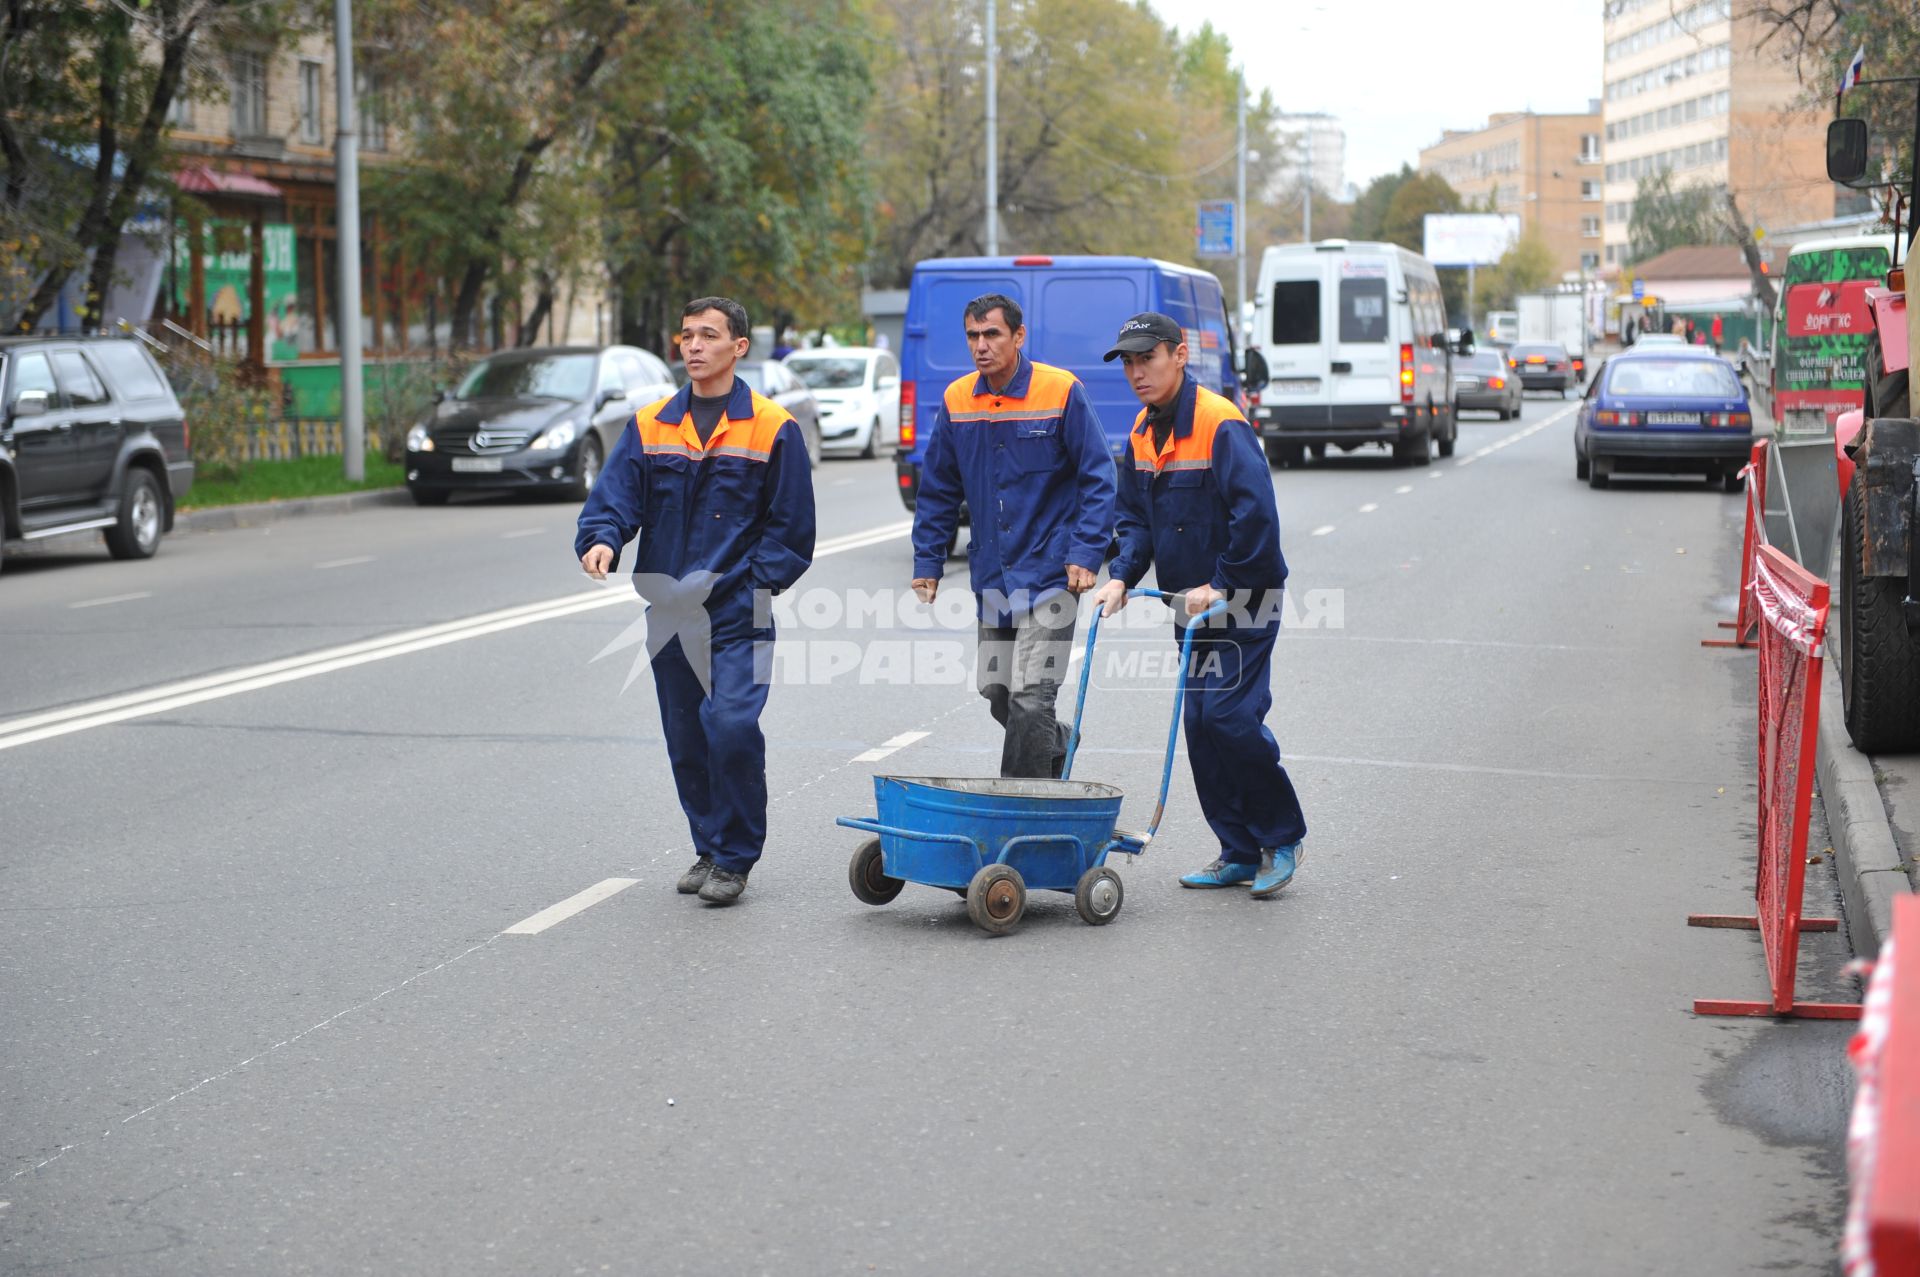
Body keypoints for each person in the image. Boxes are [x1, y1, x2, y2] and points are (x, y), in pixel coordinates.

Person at [576, 297, 816, 906]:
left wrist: (751, 583)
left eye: (708, 336)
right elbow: (616, 497)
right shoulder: (652, 423)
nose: (694, 346)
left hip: (744, 610)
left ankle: (735, 858)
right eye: (686, 335)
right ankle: (709, 846)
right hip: (670, 611)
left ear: (739, 347)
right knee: (686, 738)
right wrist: (602, 539)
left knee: (731, 726)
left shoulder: (772, 427)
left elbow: (791, 530)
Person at [1091, 312, 1307, 899]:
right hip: (1188, 610)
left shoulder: (1220, 423)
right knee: (1201, 729)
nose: (1138, 373)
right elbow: (1134, 519)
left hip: (1245, 602)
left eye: (1148, 359)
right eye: (1129, 363)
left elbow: (1256, 518)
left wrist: (1223, 581)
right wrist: (1122, 575)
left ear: (1180, 356)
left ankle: (1281, 837)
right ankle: (1237, 850)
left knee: (1230, 720)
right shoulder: (1141, 431)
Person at [909, 293, 1115, 778]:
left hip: (1051, 571)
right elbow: (938, 487)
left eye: (992, 334)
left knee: (1029, 693)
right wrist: (928, 561)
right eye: (973, 337)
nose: (981, 346)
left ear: (1018, 337)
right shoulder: (959, 399)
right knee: (998, 692)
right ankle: (1056, 741)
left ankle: (1020, 804)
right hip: (994, 574)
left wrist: (1086, 553)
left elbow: (1098, 476)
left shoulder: (1060, 390)